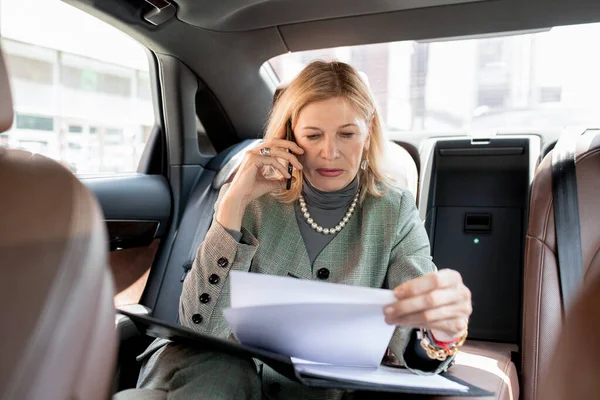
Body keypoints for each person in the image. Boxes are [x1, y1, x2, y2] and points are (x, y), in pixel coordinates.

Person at [124, 60, 472, 400]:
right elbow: (200, 330)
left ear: (367, 133)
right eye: (313, 135)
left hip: (325, 392)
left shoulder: (394, 211)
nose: (329, 152)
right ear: (291, 135)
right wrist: (231, 206)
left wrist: (439, 335)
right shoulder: (251, 200)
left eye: (347, 134)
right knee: (219, 369)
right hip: (220, 378)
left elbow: (410, 333)